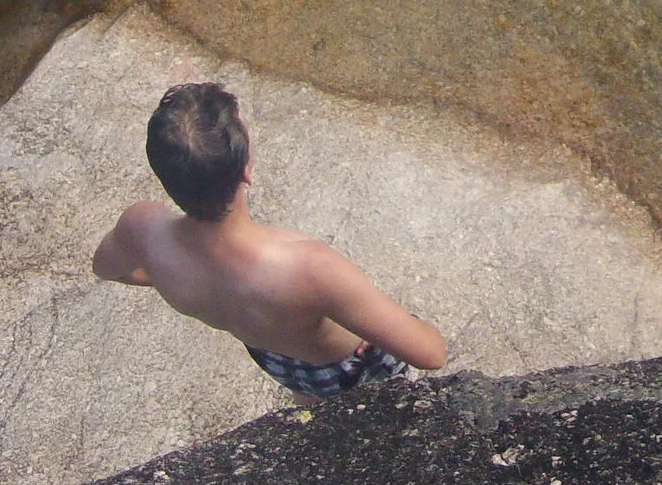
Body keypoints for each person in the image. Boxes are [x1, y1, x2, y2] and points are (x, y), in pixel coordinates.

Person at [91, 82, 448, 399]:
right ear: (246, 171)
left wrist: (166, 272)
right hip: (348, 363)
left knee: (311, 397)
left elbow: (109, 269)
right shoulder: (309, 268)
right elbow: (431, 354)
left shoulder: (141, 228)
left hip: (274, 357)